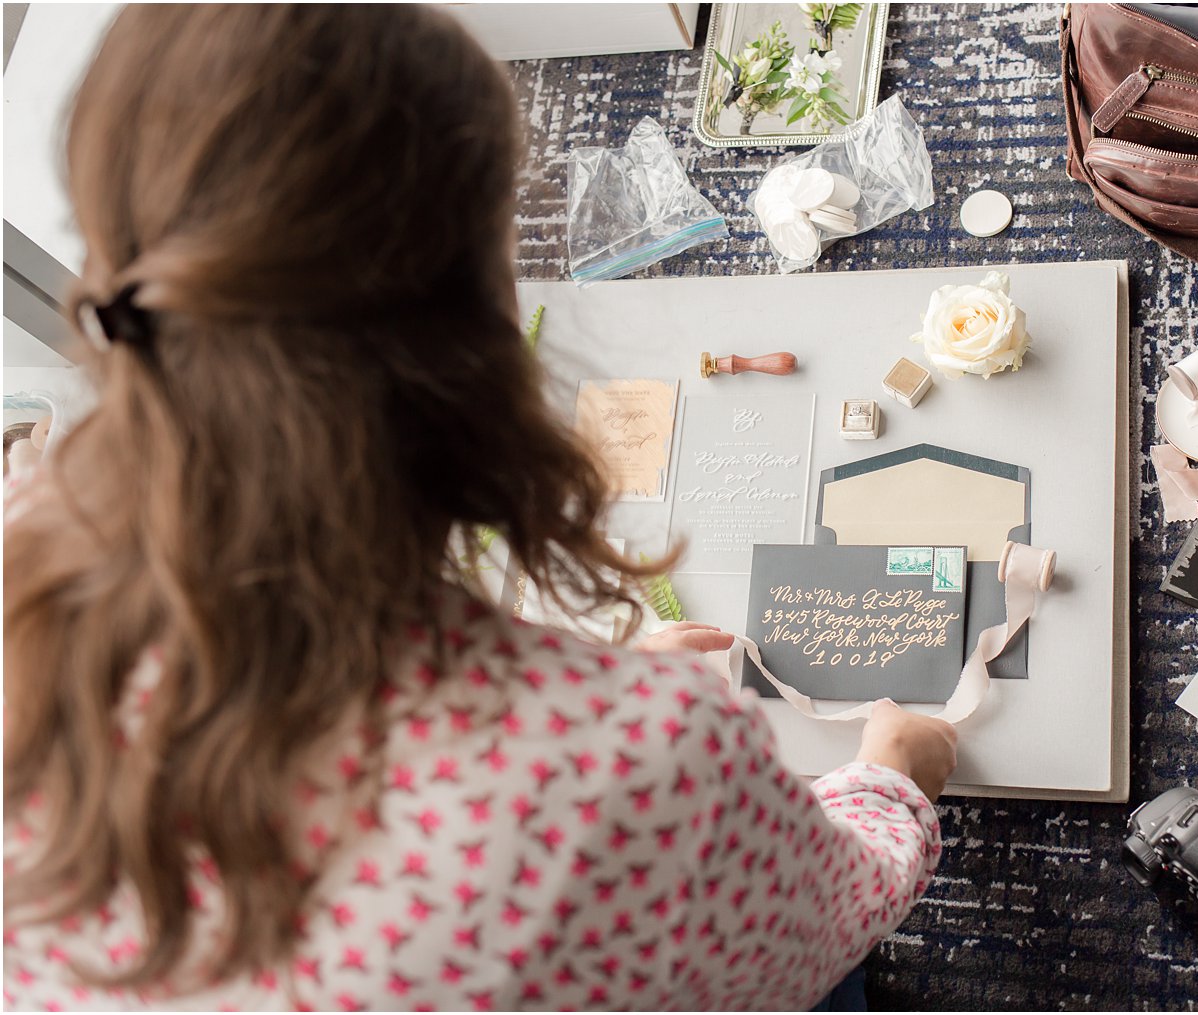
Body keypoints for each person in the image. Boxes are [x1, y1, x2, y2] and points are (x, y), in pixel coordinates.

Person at [2, 6, 958, 1010]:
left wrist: (585, 716)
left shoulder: (21, 518)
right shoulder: (624, 767)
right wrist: (891, 783)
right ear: (468, 317)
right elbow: (812, 932)